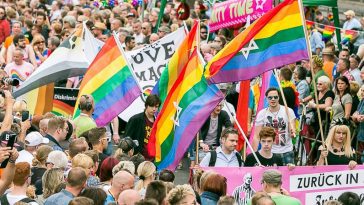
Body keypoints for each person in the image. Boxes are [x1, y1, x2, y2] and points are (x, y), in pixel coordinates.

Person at [253, 87, 296, 165]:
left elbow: (292, 129)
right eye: (270, 97)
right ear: (266, 98)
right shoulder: (262, 114)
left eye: (275, 97)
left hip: (287, 151)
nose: (273, 99)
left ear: (279, 97)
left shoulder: (288, 111)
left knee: (287, 176)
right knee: (271, 176)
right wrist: (254, 155)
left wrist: (293, 132)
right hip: (269, 152)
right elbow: (256, 136)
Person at [125, 94, 161, 161]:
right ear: (146, 105)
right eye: (151, 106)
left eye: (156, 107)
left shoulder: (158, 122)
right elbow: (127, 138)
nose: (154, 109)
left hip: (153, 158)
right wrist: (129, 149)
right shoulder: (136, 119)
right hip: (138, 157)